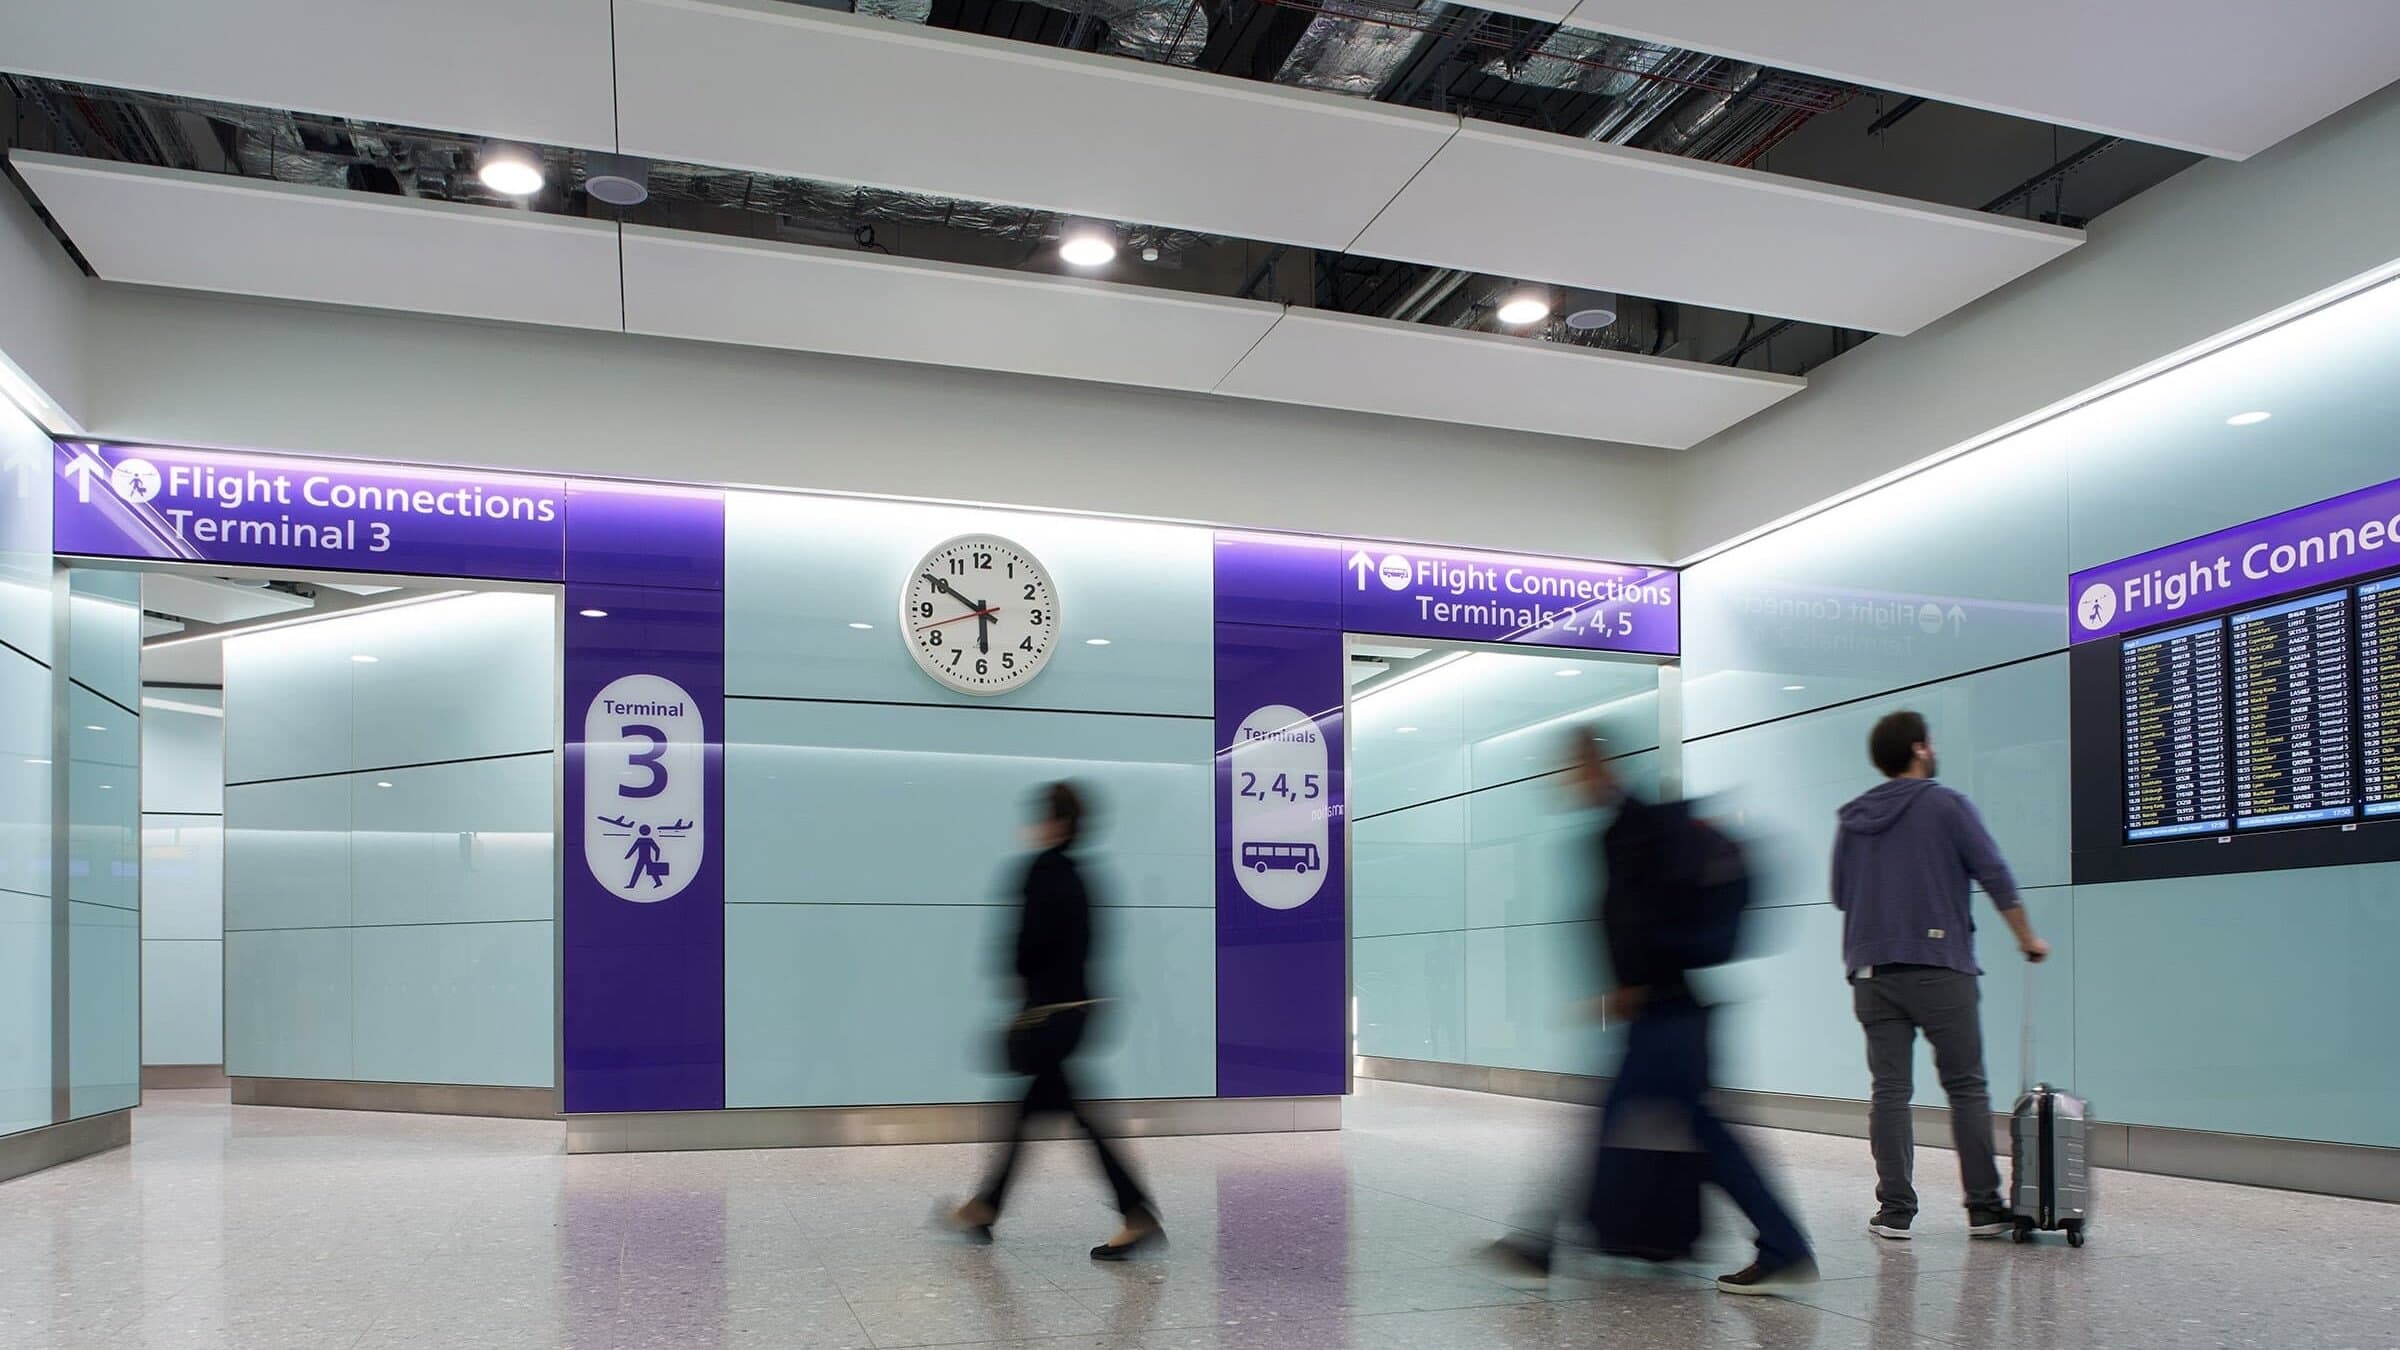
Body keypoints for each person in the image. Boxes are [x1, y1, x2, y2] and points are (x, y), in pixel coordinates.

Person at [1492, 729, 1817, 1297]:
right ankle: (1783, 1244)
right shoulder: (1632, 826)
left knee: (1637, 1126)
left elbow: (1636, 920)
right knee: (1697, 1133)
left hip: (1664, 1011)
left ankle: (1540, 1242)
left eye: (1572, 766)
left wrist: (1630, 985)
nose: (1565, 779)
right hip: (1669, 1008)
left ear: (1594, 765)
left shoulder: (1630, 830)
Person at [1833, 711, 2049, 1242]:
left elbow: (1841, 894)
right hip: (1939, 967)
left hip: (1872, 972)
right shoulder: (1945, 805)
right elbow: (1994, 873)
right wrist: (2027, 938)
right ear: (1919, 749)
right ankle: (1982, 1207)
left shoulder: (1852, 819)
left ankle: (1895, 1211)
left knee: (1889, 1091)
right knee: (1966, 1087)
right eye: (1930, 742)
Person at [947, 782, 1162, 1260]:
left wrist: (1019, 984)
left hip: (1048, 1017)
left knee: (1066, 1114)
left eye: (1042, 816)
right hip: (1077, 1014)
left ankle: (1136, 1212)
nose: (1034, 825)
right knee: (1037, 1112)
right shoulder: (1085, 877)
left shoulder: (1041, 871)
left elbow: (1026, 949)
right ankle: (986, 1205)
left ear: (1057, 821)